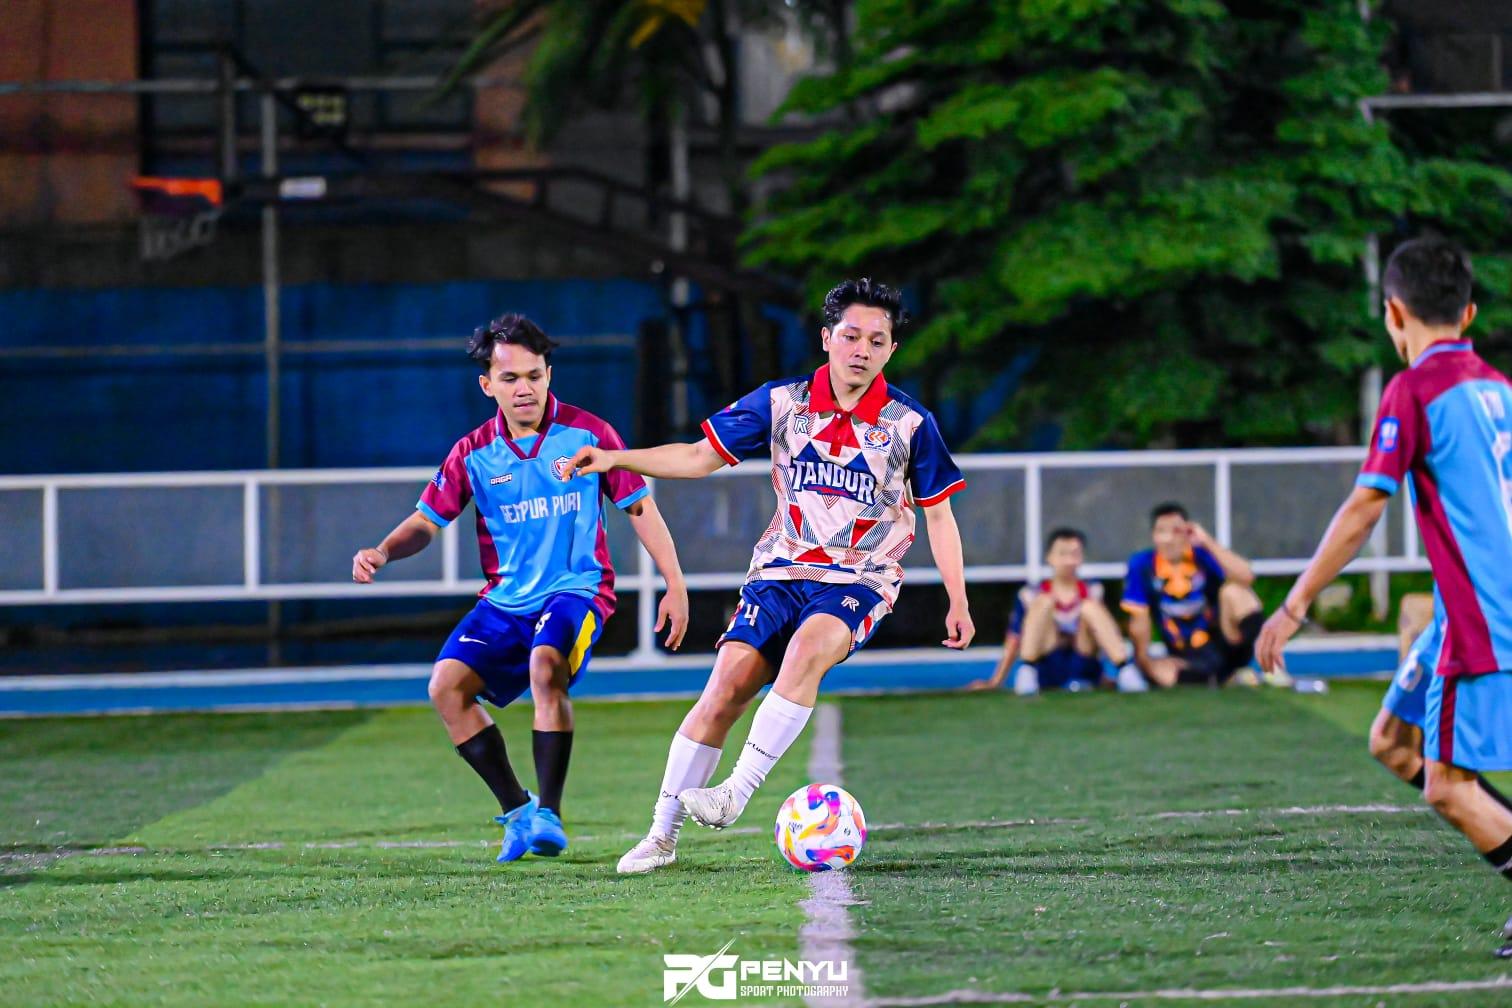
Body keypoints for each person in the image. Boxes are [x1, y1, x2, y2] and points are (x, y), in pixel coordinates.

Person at [566, 278, 974, 874]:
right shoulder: (782, 402)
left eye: (876, 341)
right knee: (724, 689)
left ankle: (735, 792)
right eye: (851, 336)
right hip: (779, 571)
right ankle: (660, 837)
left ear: (891, 350)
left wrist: (957, 599)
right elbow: (697, 458)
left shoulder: (911, 423)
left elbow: (939, 515)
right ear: (827, 338)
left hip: (861, 578)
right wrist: (613, 458)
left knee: (807, 649)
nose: (862, 350)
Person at [350, 314, 689, 863]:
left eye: (534, 375)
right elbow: (427, 521)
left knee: (544, 664)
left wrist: (675, 583)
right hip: (505, 601)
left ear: (549, 374)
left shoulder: (589, 435)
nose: (524, 388)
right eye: (510, 378)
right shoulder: (473, 453)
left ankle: (550, 812)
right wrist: (384, 550)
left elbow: (639, 508)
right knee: (446, 688)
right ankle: (518, 810)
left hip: (577, 591)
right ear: (488, 385)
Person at [1256, 236, 1512, 957]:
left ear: (1393, 312)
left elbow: (1366, 506)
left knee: (1446, 787)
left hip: (1479, 615)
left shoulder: (1416, 389)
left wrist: (1294, 605)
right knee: (1392, 743)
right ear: (1468, 313)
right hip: (1466, 610)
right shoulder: (1498, 389)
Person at [966, 528, 1140, 694]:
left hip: (1083, 662)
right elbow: (1014, 637)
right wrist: (996, 680)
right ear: (1049, 557)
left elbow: (1103, 634)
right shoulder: (1030, 594)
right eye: (1063, 554)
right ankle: (1027, 673)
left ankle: (1126, 671)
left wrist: (1105, 676)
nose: (1069, 561)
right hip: (1048, 665)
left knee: (1091, 608)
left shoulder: (1093, 590)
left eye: (1075, 554)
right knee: (1043, 603)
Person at [1120, 502, 1275, 688]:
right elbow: (1139, 618)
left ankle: (1268, 663)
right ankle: (1221, 679)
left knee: (1235, 591)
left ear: (1188, 532)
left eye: (1176, 531)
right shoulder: (1142, 565)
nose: (1169, 539)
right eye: (1161, 531)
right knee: (1160, 670)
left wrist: (1207, 541)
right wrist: (1144, 661)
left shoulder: (1202, 555)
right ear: (1153, 536)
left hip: (1223, 644)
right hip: (1183, 656)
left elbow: (1247, 576)